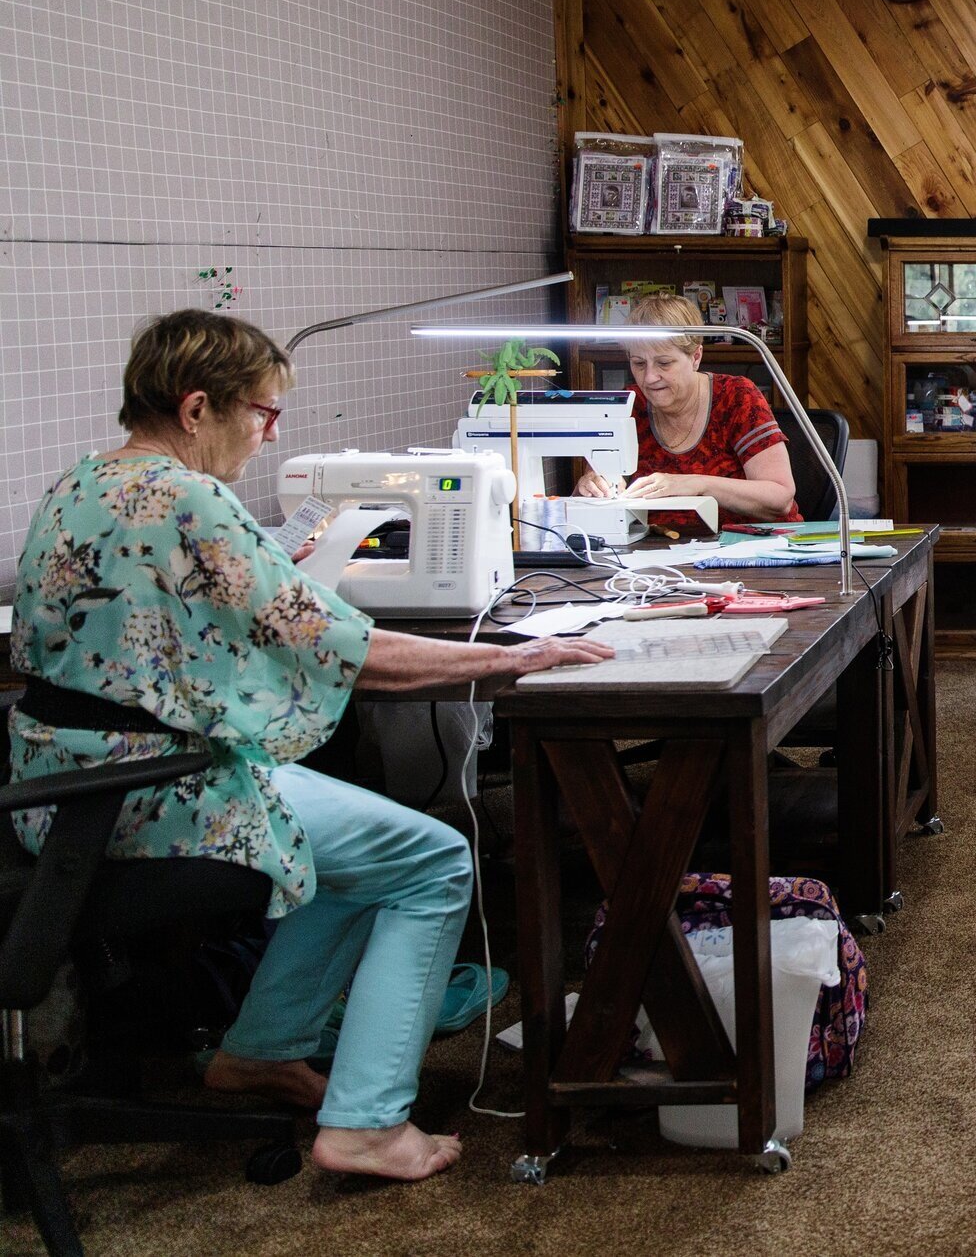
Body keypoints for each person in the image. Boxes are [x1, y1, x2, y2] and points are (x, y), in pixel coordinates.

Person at [8, 310, 612, 1180]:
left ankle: (261, 1048)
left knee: (356, 840)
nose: (265, 436)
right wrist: (515, 657)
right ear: (195, 408)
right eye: (262, 414)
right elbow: (342, 648)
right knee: (434, 860)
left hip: (53, 791)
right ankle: (367, 1123)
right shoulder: (189, 497)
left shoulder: (78, 483)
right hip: (149, 794)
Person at [575, 293, 802, 521]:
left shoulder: (736, 397)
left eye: (664, 363)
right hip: (658, 549)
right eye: (639, 363)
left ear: (696, 357)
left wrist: (694, 484)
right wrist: (592, 486)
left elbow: (779, 498)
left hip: (754, 548)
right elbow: (587, 502)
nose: (650, 377)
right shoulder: (627, 406)